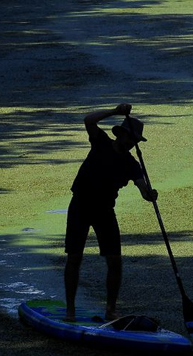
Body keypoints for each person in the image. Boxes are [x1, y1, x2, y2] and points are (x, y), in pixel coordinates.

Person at [63, 103, 157, 322]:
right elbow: (89, 120)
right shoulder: (101, 142)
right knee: (74, 257)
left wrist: (150, 194)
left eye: (133, 141)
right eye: (128, 138)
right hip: (80, 205)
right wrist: (115, 112)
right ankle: (70, 310)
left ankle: (111, 310)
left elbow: (142, 188)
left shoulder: (132, 164)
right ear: (120, 135)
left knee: (115, 261)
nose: (130, 144)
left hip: (105, 210)